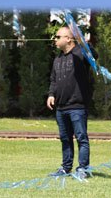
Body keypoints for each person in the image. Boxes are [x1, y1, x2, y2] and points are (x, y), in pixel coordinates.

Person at [46, 26, 96, 179]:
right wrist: (51, 94)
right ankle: (66, 168)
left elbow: (94, 55)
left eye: (58, 36)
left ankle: (83, 169)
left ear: (68, 39)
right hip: (61, 107)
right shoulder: (58, 59)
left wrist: (86, 44)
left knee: (81, 138)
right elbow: (53, 80)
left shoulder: (81, 53)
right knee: (65, 139)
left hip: (77, 106)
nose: (55, 39)